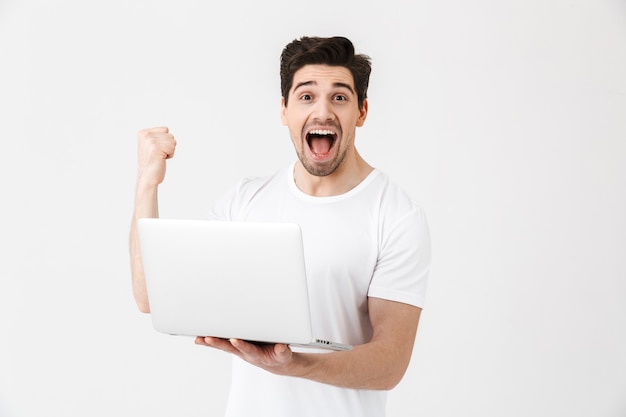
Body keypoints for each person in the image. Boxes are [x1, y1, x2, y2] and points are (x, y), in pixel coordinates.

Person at [129, 36, 431, 417]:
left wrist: (295, 365)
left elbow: (391, 363)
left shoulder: (397, 215)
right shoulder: (244, 201)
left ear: (362, 111)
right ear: (285, 110)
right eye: (306, 97)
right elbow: (151, 298)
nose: (322, 111)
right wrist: (146, 183)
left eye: (339, 97)